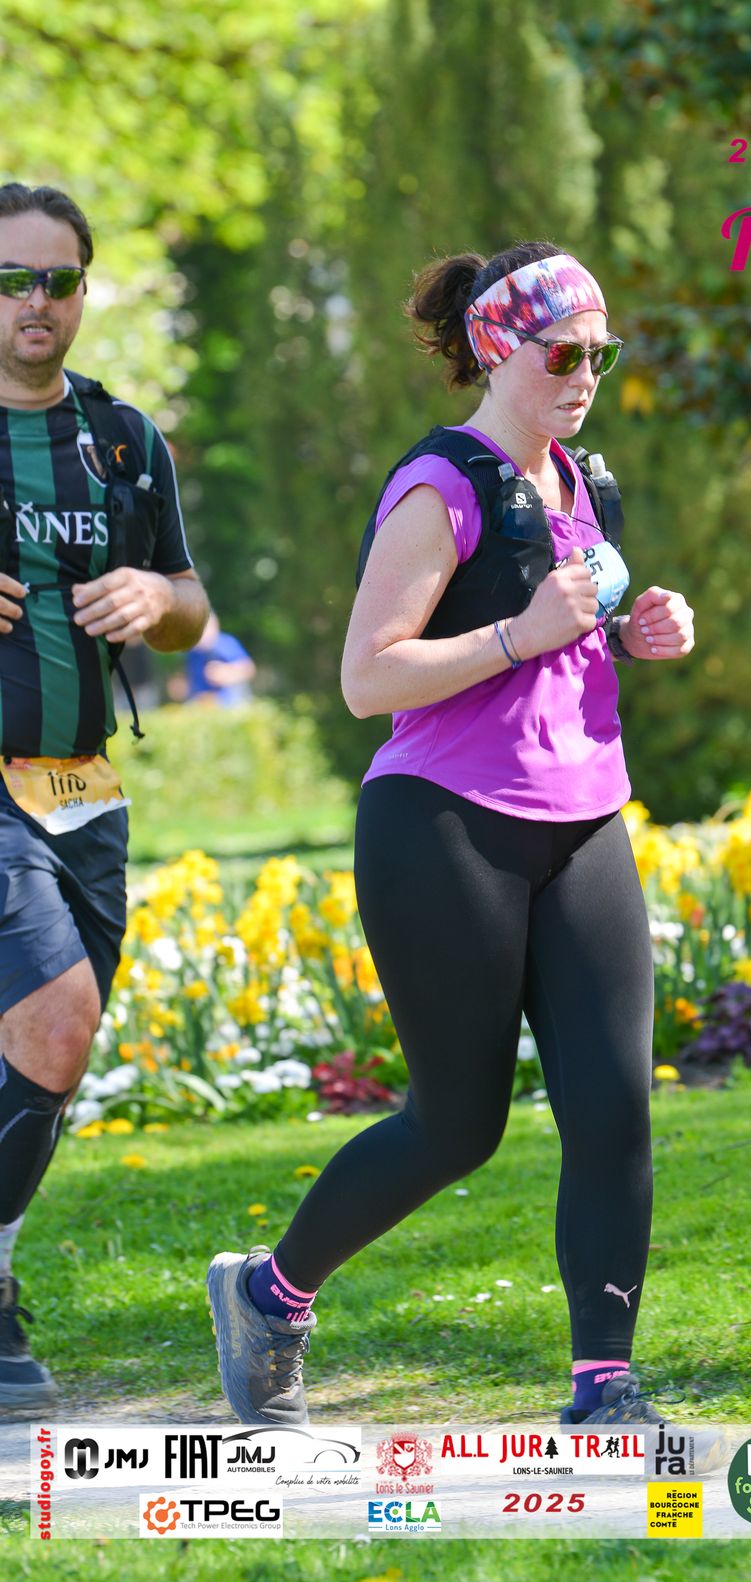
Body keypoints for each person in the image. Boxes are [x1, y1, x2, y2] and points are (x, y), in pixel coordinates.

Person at [207, 241, 695, 1430]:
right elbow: (366, 677)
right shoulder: (440, 485)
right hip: (443, 827)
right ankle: (270, 1293)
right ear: (496, 348)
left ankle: (603, 1384)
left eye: (599, 354)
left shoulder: (583, 482)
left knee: (614, 1108)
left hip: (583, 820)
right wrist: (523, 634)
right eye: (560, 355)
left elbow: (564, 634)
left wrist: (630, 633)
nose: (584, 377)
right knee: (456, 1124)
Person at [0, 183, 209, 1410]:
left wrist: (156, 599)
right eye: (11, 279)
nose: (36, 300)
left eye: (58, 279)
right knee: (55, 1018)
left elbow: (192, 603)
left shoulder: (122, 438)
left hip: (85, 791)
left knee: (49, 1055)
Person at [172, 609, 255, 705]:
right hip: (201, 700)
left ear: (215, 626)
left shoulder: (226, 644)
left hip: (229, 699)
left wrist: (228, 672)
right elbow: (183, 679)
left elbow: (249, 669)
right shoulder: (192, 651)